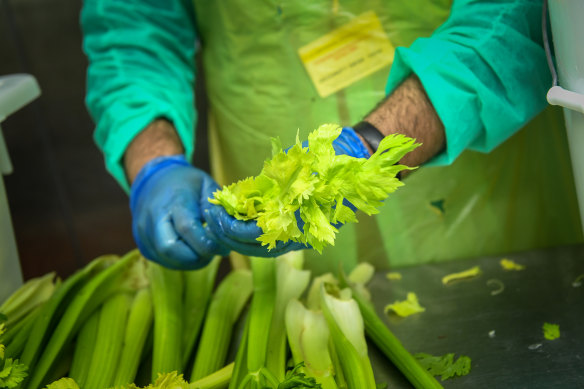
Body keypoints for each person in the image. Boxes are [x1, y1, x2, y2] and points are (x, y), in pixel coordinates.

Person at [81, 0, 582, 273]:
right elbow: (133, 27)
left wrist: (363, 151)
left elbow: (519, 13)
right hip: (279, 224)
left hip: (489, 204)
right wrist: (155, 164)